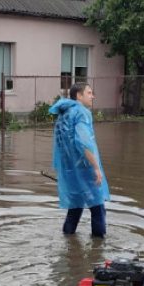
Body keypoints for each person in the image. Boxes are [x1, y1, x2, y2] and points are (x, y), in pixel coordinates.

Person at [48, 83, 110, 237]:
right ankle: (98, 249)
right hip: (85, 167)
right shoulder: (82, 113)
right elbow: (83, 143)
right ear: (79, 96)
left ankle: (69, 242)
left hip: (69, 169)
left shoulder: (64, 113)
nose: (93, 96)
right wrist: (96, 167)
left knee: (75, 208)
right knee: (98, 207)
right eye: (89, 93)